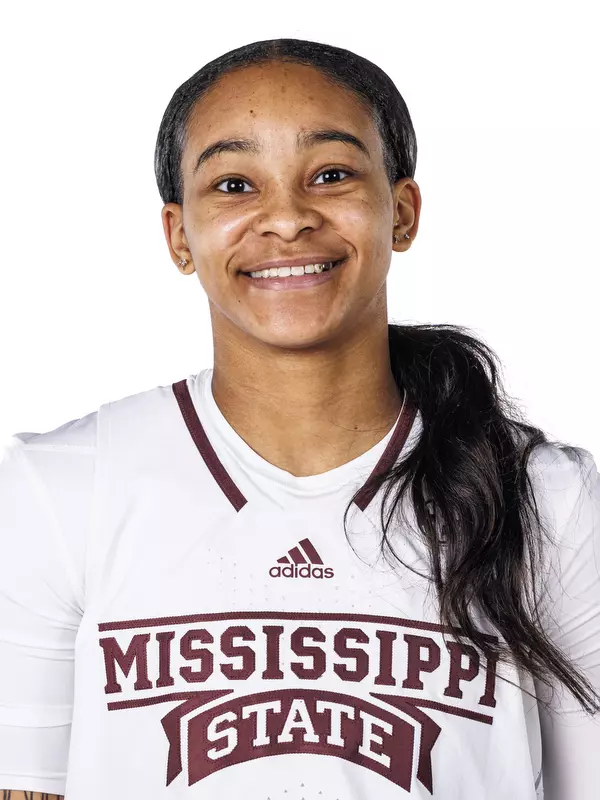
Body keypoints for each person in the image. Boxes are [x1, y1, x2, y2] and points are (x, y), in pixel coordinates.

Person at [0, 37, 598, 800]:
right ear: (180, 237)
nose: (285, 218)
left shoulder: (551, 499)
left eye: (333, 174)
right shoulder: (57, 492)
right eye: (235, 184)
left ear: (402, 212)